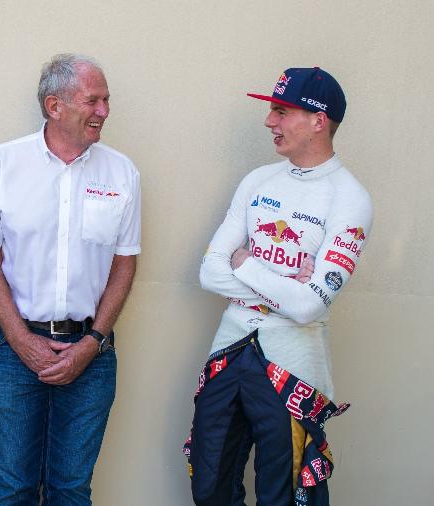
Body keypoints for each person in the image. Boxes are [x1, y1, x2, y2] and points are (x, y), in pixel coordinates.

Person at [185, 67, 372, 506]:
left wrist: (247, 265)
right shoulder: (257, 180)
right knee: (209, 484)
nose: (270, 121)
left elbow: (308, 308)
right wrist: (284, 285)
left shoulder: (349, 197)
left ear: (317, 121)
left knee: (282, 494)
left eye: (281, 111)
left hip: (292, 367)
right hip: (229, 352)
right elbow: (210, 272)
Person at [0, 54, 141, 505]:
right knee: (14, 488)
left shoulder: (122, 173)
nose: (103, 111)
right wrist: (20, 338)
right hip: (13, 350)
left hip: (91, 352)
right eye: (92, 100)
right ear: (54, 106)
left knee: (71, 489)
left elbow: (124, 264)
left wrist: (94, 341)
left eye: (106, 100)